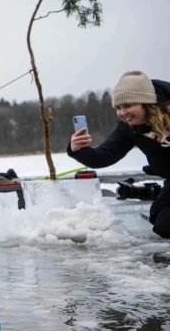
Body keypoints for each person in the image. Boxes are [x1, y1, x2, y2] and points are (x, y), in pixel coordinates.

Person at [68, 71, 170, 239]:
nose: (123, 113)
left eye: (128, 106)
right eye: (119, 108)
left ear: (147, 103)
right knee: (163, 224)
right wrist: (78, 149)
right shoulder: (128, 128)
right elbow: (104, 156)